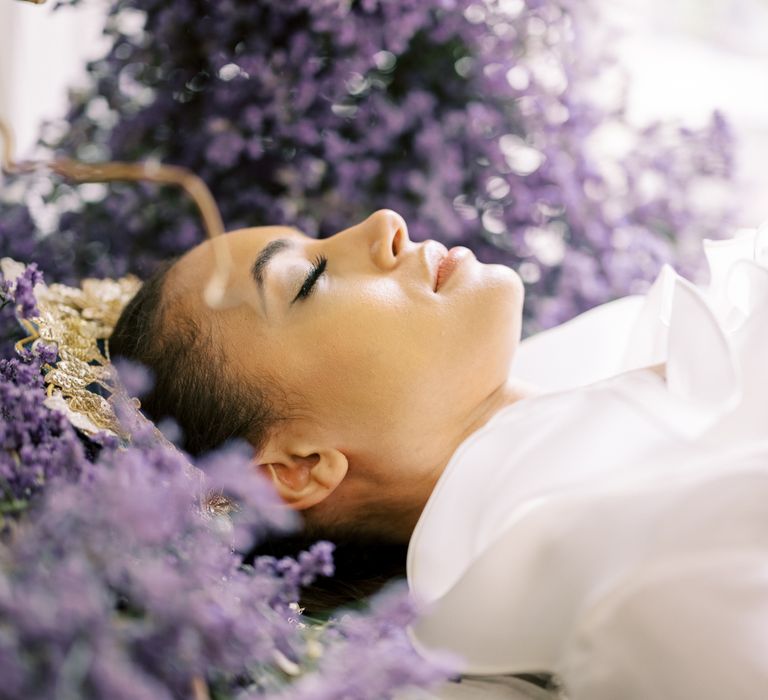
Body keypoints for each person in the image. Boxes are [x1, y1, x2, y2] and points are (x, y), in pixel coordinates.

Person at [110, 209, 768, 699]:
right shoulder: (592, 558)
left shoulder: (593, 359)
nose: (383, 224)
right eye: (309, 279)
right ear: (301, 468)